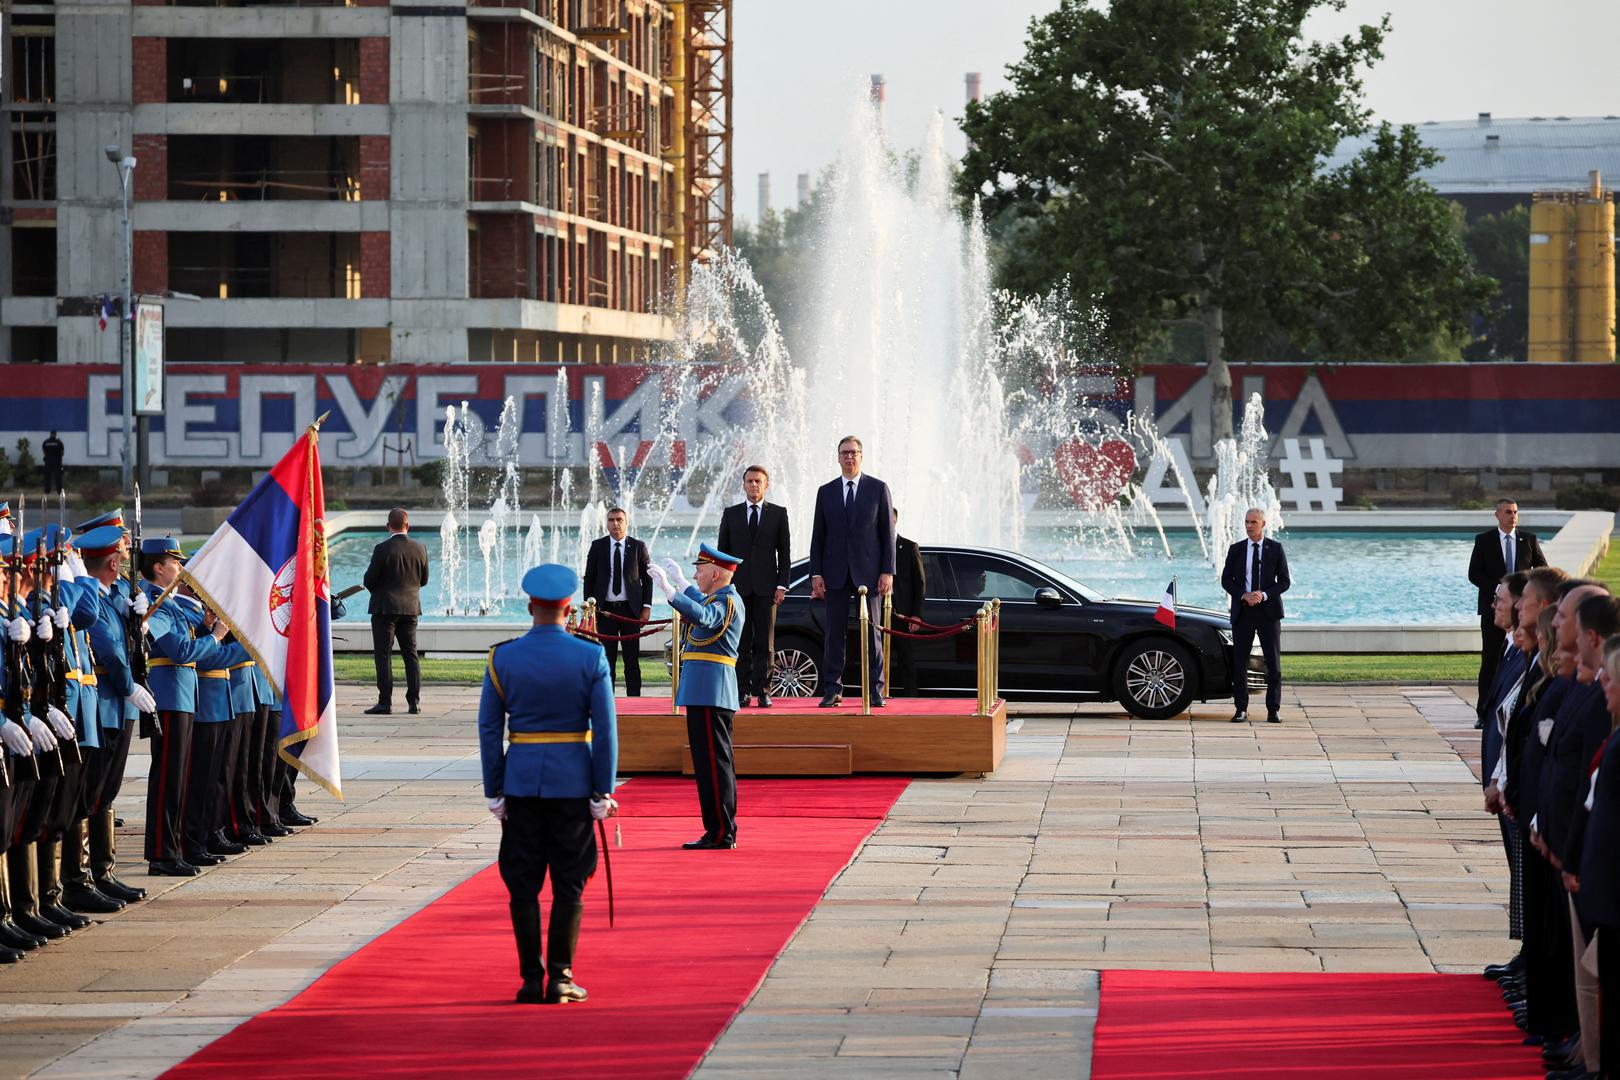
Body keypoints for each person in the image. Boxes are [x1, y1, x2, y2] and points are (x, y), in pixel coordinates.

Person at [478, 563, 617, 1006]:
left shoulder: (502, 657)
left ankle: (529, 980)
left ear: (529, 606)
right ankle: (560, 977)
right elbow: (607, 730)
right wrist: (603, 790)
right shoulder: (589, 656)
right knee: (569, 882)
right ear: (569, 608)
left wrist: (494, 789)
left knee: (523, 884)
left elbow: (488, 730)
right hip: (573, 784)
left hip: (520, 784)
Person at [648, 544, 745, 850]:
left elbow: (705, 616)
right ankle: (717, 829)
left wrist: (670, 591)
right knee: (709, 764)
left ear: (716, 574)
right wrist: (682, 586)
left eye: (699, 570)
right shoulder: (720, 596)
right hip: (705, 689)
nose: (695, 574)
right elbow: (703, 602)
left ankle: (720, 832)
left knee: (713, 766)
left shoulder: (727, 600)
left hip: (710, 690)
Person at [808, 436, 895, 709]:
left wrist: (887, 571)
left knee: (872, 635)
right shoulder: (826, 491)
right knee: (834, 634)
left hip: (869, 575)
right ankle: (833, 689)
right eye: (845, 453)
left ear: (861, 456)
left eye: (854, 453)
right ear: (838, 457)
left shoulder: (878, 488)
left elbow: (887, 536)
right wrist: (816, 574)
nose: (849, 457)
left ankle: (875, 690)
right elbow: (818, 536)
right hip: (834, 573)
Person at [717, 467, 791, 707]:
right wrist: (722, 588)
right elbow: (722, 555)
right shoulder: (731, 514)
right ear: (744, 485)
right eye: (749, 481)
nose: (754, 485)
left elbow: (785, 554)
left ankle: (764, 691)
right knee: (741, 641)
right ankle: (741, 691)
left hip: (767, 590)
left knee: (765, 643)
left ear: (766, 485)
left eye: (758, 481)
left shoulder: (778, 514)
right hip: (737, 590)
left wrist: (782, 585)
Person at [1469, 498, 1547, 712]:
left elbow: (1542, 571)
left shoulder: (1528, 540)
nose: (1513, 516)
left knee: (1524, 658)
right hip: (1493, 610)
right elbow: (1474, 574)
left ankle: (1520, 708)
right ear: (1497, 515)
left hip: (1524, 611)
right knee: (1490, 661)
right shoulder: (1484, 541)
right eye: (1508, 512)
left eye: (1515, 512)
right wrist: (1499, 590)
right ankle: (1484, 712)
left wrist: (1525, 591)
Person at [1220, 507, 1290, 723]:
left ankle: (1273, 710)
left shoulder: (1275, 549)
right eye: (1247, 522)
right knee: (1240, 662)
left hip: (1268, 614)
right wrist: (1244, 595)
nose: (1249, 526)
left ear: (1263, 524)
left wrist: (1264, 595)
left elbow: (1284, 582)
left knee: (1273, 663)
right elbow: (1226, 580)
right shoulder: (1236, 549)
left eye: (1253, 523)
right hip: (1243, 613)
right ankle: (1241, 709)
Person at [363, 508, 428, 715]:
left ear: (387, 526)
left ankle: (385, 702)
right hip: (410, 609)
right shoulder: (420, 548)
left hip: (384, 609)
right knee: (411, 655)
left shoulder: (382, 549)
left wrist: (382, 591)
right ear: (407, 525)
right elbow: (423, 580)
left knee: (383, 655)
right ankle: (414, 702)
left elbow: (368, 580)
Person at [582, 508, 653, 697]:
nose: (615, 523)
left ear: (626, 522)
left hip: (631, 612)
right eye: (611, 520)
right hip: (605, 612)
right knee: (607, 660)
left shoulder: (638, 546)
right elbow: (589, 579)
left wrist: (646, 607)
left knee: (632, 661)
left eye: (619, 519)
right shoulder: (598, 546)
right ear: (606, 523)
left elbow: (647, 579)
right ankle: (606, 700)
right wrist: (590, 610)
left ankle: (635, 701)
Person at [889, 508, 926, 698]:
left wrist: (916, 615)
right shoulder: (872, 546)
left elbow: (919, 584)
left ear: (895, 520)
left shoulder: (909, 547)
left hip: (903, 614)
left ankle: (910, 698)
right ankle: (878, 696)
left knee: (906, 659)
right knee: (877, 658)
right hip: (878, 612)